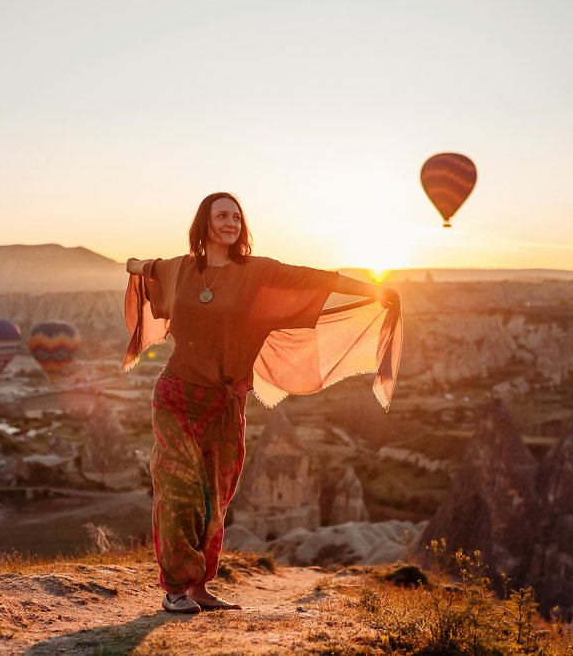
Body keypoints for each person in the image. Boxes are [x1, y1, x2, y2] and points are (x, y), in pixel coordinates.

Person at [123, 192, 402, 614]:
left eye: (236, 216)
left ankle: (199, 588)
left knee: (216, 495)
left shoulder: (257, 272)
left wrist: (375, 290)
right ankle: (175, 588)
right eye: (222, 215)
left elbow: (317, 279)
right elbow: (137, 266)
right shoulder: (179, 268)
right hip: (176, 393)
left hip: (225, 401)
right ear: (205, 223)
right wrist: (139, 267)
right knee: (177, 487)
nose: (231, 222)